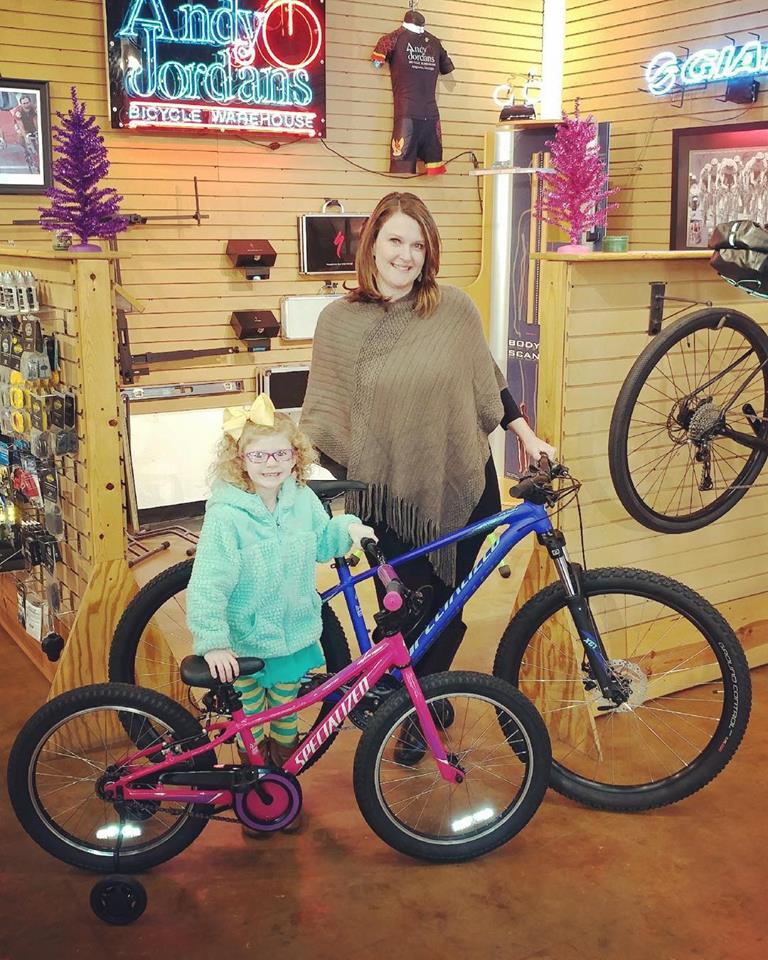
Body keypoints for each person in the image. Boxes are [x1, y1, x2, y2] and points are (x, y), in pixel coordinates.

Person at [301, 191, 556, 686]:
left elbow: (488, 382)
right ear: (373, 244)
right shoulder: (338, 322)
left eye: (418, 246)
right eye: (395, 241)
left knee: (450, 604)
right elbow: (326, 415)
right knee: (404, 609)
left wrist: (528, 437)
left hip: (462, 481)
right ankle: (400, 698)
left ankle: (424, 698)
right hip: (387, 497)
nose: (406, 256)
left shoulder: (453, 308)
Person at [186, 394, 373, 833]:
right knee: (251, 722)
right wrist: (213, 642)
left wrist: (348, 527)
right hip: (245, 644)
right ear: (240, 460)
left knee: (286, 717)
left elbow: (323, 542)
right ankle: (255, 797)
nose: (271, 464)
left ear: (295, 457)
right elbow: (208, 582)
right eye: (259, 455)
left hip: (293, 636)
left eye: (281, 454)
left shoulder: (301, 500)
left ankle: (279, 785)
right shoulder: (227, 517)